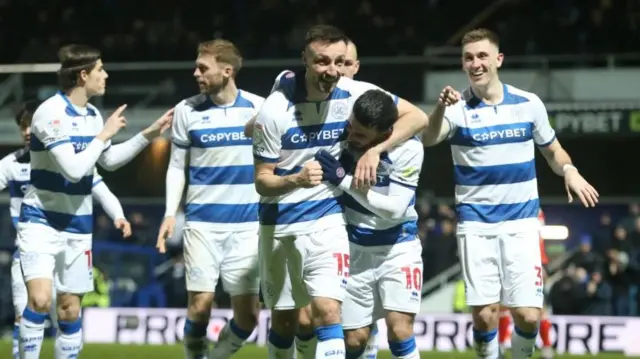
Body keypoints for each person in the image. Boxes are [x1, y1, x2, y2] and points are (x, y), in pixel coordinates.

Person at [252, 24, 431, 359]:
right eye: (322, 62)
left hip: (328, 219)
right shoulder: (274, 110)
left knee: (328, 314)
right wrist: (295, 180)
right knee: (286, 322)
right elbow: (262, 180)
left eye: (338, 61)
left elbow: (417, 116)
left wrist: (376, 150)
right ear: (304, 58)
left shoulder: (352, 92)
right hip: (278, 221)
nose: (332, 71)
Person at [421, 28, 599, 359]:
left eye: (482, 55)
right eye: (469, 57)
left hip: (522, 224)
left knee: (529, 316)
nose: (475, 63)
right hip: (476, 226)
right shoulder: (457, 108)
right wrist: (440, 109)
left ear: (498, 59)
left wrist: (570, 170)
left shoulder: (529, 104)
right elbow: (429, 138)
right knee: (486, 315)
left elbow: (553, 151)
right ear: (463, 64)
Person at [17, 44, 172, 359]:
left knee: (70, 309)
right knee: (41, 301)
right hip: (41, 222)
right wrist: (104, 134)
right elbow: (74, 170)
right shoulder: (50, 113)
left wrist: (150, 133)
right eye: (100, 69)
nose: (106, 75)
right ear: (83, 74)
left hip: (78, 225)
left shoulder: (91, 115)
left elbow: (108, 161)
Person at [156, 39, 264, 359]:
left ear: (227, 71)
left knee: (248, 317)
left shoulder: (259, 108)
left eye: (203, 68)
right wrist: (169, 213)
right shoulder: (187, 110)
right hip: (202, 224)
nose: (196, 73)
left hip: (247, 228)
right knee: (200, 306)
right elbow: (177, 167)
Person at [0, 99, 131, 359]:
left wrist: (119, 215)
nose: (27, 132)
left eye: (30, 126)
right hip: (30, 247)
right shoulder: (11, 165)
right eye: (22, 127)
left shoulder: (70, 161)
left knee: (69, 312)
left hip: (70, 241)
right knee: (28, 310)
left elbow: (101, 187)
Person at [311, 88, 427, 359]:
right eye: (351, 128)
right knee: (354, 340)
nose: (352, 137)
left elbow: (395, 209)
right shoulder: (341, 140)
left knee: (400, 329)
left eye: (361, 135)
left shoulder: (409, 149)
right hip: (354, 250)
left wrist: (343, 179)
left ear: (385, 134)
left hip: (398, 248)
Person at [498, 209, 554, 359]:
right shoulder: (510, 204)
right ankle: (501, 347)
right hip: (511, 261)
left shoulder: (534, 209)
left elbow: (537, 238)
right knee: (504, 305)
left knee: (539, 308)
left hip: (534, 261)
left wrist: (542, 264)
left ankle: (547, 348)